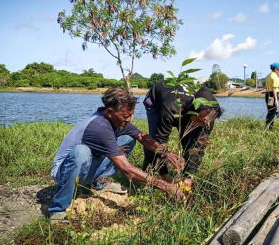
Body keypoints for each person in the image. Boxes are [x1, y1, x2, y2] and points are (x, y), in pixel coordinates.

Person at [48, 87, 185, 222]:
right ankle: (57, 208)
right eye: (126, 116)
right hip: (65, 172)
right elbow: (126, 169)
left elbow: (142, 137)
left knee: (128, 139)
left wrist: (166, 154)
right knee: (81, 151)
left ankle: (99, 183)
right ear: (110, 112)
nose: (130, 119)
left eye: (131, 115)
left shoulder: (115, 120)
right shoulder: (99, 127)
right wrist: (166, 186)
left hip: (88, 165)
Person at [142, 81, 223, 188]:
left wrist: (189, 176)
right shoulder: (170, 108)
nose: (200, 125)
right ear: (192, 110)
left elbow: (198, 148)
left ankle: (184, 176)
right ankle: (145, 178)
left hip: (183, 110)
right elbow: (159, 140)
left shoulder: (207, 117)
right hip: (156, 100)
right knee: (153, 140)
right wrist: (166, 177)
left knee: (190, 142)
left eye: (204, 123)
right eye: (198, 120)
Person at [264, 62, 279, 130]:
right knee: (273, 112)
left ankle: (267, 125)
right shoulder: (275, 76)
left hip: (268, 94)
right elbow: (274, 88)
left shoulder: (268, 76)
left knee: (270, 111)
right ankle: (270, 128)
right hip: (273, 94)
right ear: (276, 69)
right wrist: (276, 100)